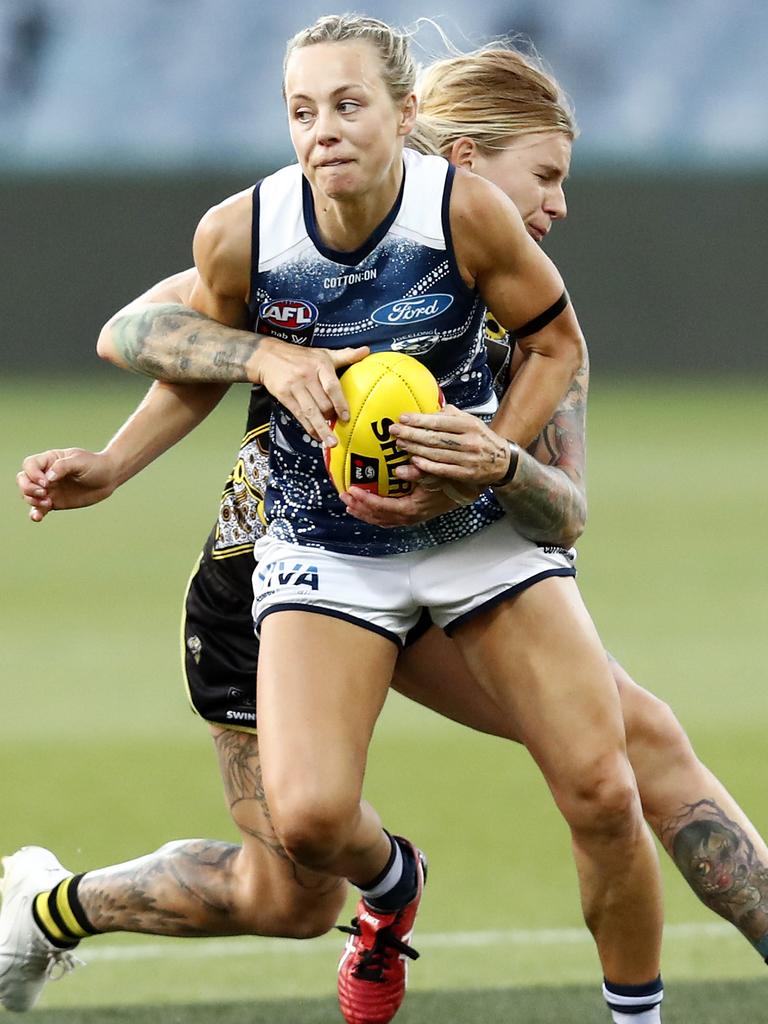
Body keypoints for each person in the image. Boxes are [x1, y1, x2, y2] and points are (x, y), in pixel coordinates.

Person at [12, 21, 751, 1024]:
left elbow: (562, 514)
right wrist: (257, 365)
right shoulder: (302, 232)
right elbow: (132, 331)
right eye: (547, 175)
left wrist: (491, 458)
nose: (559, 205)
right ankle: (49, 908)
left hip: (447, 557)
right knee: (290, 891)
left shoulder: (520, 306)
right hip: (269, 577)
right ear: (458, 160)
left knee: (628, 757)